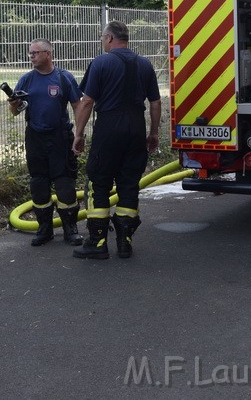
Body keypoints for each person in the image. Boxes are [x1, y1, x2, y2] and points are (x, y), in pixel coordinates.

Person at [72, 20, 161, 260]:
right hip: (135, 127)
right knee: (129, 184)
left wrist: (78, 134)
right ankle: (125, 242)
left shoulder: (101, 63)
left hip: (109, 127)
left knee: (99, 182)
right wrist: (153, 133)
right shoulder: (144, 64)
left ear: (110, 38)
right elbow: (155, 102)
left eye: (103, 38)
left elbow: (87, 102)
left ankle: (97, 242)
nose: (102, 42)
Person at [8, 39, 84, 247]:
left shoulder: (63, 78)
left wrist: (79, 133)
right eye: (30, 53)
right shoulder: (26, 80)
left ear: (48, 54)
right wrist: (14, 105)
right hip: (35, 138)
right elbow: (15, 111)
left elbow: (78, 105)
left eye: (35, 53)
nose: (31, 56)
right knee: (39, 183)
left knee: (65, 183)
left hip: (60, 137)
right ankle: (44, 229)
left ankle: (71, 229)